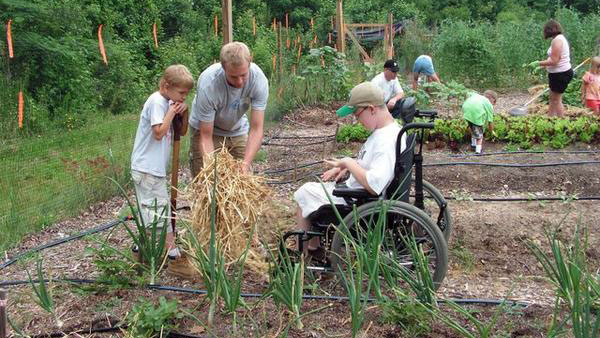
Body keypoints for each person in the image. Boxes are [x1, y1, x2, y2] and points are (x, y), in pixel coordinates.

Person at [293, 82, 406, 257]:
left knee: (303, 192)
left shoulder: (386, 141)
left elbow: (374, 184)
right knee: (311, 191)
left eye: (357, 115)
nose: (357, 120)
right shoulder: (385, 132)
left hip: (358, 202)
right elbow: (372, 165)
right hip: (356, 194)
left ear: (371, 109)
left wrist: (348, 162)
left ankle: (307, 253)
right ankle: (313, 248)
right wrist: (346, 167)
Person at [130, 64, 194, 258]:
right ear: (166, 86)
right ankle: (172, 251)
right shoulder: (157, 101)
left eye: (187, 93)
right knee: (159, 209)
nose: (183, 97)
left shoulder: (169, 103)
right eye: (181, 92)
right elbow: (158, 133)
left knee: (152, 210)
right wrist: (172, 113)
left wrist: (184, 112)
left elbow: (181, 132)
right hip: (147, 168)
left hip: (153, 169)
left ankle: (140, 248)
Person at [189, 41, 269, 178]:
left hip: (237, 129)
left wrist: (245, 164)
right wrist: (210, 170)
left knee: (244, 181)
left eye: (243, 75)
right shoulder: (209, 84)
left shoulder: (258, 80)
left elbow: (256, 128)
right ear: (223, 68)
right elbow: (206, 135)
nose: (239, 82)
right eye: (233, 76)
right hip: (208, 130)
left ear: (249, 64)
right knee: (206, 182)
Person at [528, 19, 573, 117]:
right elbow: (555, 58)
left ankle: (562, 122)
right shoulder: (558, 39)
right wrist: (543, 66)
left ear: (549, 30)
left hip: (560, 74)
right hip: (558, 73)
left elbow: (554, 61)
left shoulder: (557, 41)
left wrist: (538, 63)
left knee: (557, 100)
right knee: (552, 99)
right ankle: (550, 118)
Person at [462, 90, 497, 154]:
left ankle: (473, 145)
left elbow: (468, 92)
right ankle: (478, 151)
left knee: (473, 129)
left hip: (466, 108)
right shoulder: (488, 104)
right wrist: (491, 131)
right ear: (492, 99)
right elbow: (490, 121)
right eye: (494, 102)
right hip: (476, 111)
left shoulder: (478, 96)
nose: (493, 104)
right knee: (480, 136)